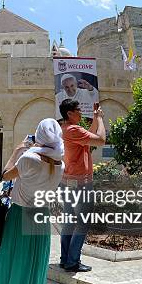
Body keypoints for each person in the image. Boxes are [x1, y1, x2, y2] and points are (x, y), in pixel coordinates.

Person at [0, 119, 65, 284]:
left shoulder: (28, 158)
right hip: (41, 216)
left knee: (13, 263)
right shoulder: (60, 163)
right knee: (32, 265)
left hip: (21, 215)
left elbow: (5, 175)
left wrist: (17, 151)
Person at [58, 99, 106, 272]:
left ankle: (65, 259)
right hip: (80, 184)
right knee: (83, 223)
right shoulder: (73, 130)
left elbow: (90, 136)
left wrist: (94, 117)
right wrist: (100, 118)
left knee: (69, 222)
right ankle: (72, 261)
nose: (80, 112)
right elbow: (100, 139)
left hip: (67, 182)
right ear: (70, 113)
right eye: (78, 110)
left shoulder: (66, 129)